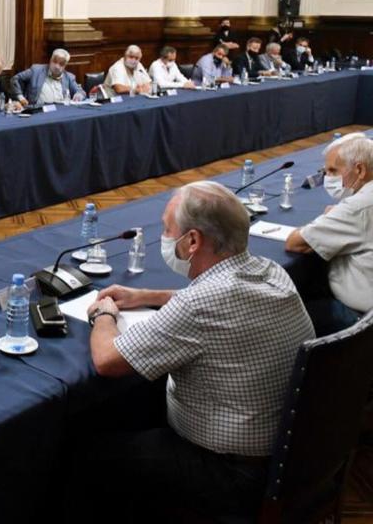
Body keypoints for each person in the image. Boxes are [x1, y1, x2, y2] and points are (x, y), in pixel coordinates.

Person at [74, 181, 314, 519]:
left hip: (227, 472)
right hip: (287, 453)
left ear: (192, 241)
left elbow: (107, 361)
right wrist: (146, 296)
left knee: (84, 455)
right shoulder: (271, 271)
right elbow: (212, 299)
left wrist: (103, 315)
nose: (164, 237)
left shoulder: (201, 304)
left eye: (167, 229)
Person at [285, 133, 373, 336]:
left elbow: (296, 243)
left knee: (285, 316)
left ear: (359, 170)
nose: (328, 178)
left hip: (360, 320)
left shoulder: (358, 207)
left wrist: (331, 218)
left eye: (333, 171)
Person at [11, 49, 85, 105]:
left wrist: (78, 95)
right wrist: (20, 97)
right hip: (39, 111)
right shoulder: (36, 70)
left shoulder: (69, 77)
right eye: (55, 62)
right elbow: (15, 79)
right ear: (50, 60)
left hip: (61, 112)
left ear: (65, 66)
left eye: (61, 64)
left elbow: (81, 92)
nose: (57, 66)